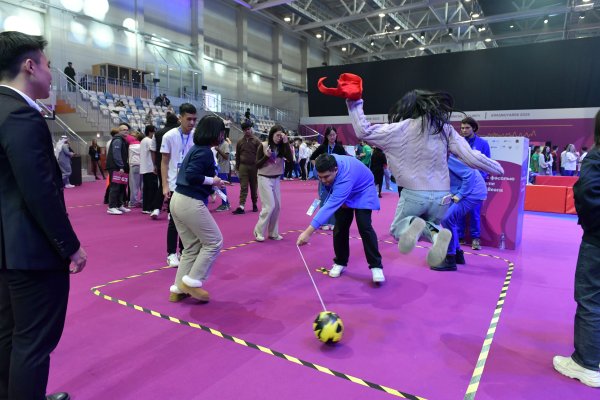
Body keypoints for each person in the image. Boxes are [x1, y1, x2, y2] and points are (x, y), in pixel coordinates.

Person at [317, 73, 503, 267]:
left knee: (398, 229)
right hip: (442, 197)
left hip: (415, 193)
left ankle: (419, 226)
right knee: (431, 224)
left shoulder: (400, 128)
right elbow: (471, 157)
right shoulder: (445, 129)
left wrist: (354, 102)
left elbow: (364, 131)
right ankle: (436, 234)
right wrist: (496, 167)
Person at [0, 30, 87, 400]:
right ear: (30, 66)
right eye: (49, 65)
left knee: (9, 334)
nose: (52, 75)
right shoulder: (21, 115)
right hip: (30, 251)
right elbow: (39, 191)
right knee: (33, 342)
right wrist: (70, 246)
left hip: (6, 249)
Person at [553, 110, 600, 388]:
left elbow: (587, 193)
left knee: (591, 298)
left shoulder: (596, 157)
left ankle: (586, 363)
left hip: (598, 241)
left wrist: (592, 226)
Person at [297, 154, 385, 283]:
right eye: (320, 177)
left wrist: (308, 232)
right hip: (343, 189)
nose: (323, 180)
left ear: (336, 169)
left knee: (364, 226)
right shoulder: (322, 167)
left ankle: (376, 266)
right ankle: (340, 262)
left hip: (363, 190)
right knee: (340, 227)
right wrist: (333, 190)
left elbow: (330, 206)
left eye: (326, 177)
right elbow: (328, 188)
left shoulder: (345, 177)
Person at [168, 115, 227, 303]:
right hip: (190, 201)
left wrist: (213, 183)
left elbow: (191, 175)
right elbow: (193, 175)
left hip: (178, 199)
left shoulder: (196, 149)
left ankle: (178, 289)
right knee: (214, 241)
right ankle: (193, 282)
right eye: (221, 132)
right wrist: (213, 180)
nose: (222, 136)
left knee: (191, 246)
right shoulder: (205, 151)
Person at [434, 155, 487, 271]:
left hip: (472, 192)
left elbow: (469, 174)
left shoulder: (447, 155)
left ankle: (450, 258)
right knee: (449, 221)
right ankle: (458, 255)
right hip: (460, 190)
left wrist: (460, 194)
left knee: (447, 219)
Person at [161, 103, 197, 270]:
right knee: (174, 221)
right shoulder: (169, 136)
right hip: (174, 185)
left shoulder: (196, 136)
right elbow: (164, 162)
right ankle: (171, 253)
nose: (192, 122)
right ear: (180, 118)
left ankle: (184, 251)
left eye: (194, 119)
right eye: (188, 119)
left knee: (188, 221)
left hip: (191, 184)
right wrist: (165, 186)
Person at [253, 125, 293, 241]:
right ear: (272, 134)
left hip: (276, 179)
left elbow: (290, 159)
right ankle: (258, 231)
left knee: (277, 207)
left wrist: (286, 143)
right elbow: (257, 165)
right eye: (277, 135)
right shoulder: (263, 145)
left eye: (281, 135)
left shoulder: (282, 147)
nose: (279, 137)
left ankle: (273, 233)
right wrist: (266, 156)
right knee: (269, 206)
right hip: (264, 178)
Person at [457, 117, 490, 250]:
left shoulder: (483, 143)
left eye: (467, 128)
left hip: (476, 185)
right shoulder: (457, 143)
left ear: (474, 128)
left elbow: (487, 164)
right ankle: (460, 237)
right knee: (458, 212)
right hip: (460, 183)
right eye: (462, 128)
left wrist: (477, 179)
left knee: (475, 213)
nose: (464, 130)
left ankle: (476, 238)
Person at [309, 126, 347, 230]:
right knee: (324, 199)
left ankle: (334, 223)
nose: (332, 137)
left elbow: (345, 160)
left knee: (335, 199)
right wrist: (317, 168)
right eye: (330, 135)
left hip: (336, 179)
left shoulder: (339, 148)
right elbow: (312, 158)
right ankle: (324, 222)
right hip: (324, 180)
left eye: (334, 135)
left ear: (336, 135)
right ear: (326, 136)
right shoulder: (322, 147)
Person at [150, 112, 179, 219]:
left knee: (163, 185)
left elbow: (153, 150)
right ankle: (170, 212)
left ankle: (156, 209)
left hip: (160, 162)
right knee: (174, 186)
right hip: (175, 163)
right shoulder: (178, 132)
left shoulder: (157, 133)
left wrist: (154, 164)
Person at [232, 121, 261, 214]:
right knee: (243, 187)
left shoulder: (257, 141)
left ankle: (254, 203)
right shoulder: (240, 141)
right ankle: (241, 206)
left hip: (254, 166)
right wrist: (237, 167)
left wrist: (259, 166)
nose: (247, 131)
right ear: (243, 131)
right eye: (245, 130)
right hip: (243, 166)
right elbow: (237, 155)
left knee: (254, 186)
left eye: (248, 129)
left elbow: (261, 154)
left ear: (251, 129)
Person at [105, 126, 131, 215]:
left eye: (127, 130)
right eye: (124, 130)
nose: (126, 131)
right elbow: (116, 154)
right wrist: (121, 166)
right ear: (119, 131)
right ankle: (111, 207)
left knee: (121, 187)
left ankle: (119, 205)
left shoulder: (122, 140)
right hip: (115, 167)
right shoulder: (117, 140)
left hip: (120, 167)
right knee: (115, 186)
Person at [140, 125, 159, 215]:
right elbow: (153, 152)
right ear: (151, 132)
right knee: (152, 189)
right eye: (154, 132)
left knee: (146, 189)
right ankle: (150, 207)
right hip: (150, 168)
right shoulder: (150, 141)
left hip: (144, 168)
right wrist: (155, 165)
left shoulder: (143, 140)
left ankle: (145, 207)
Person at [214, 136, 232, 212]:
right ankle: (226, 203)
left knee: (222, 187)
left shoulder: (225, 144)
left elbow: (226, 157)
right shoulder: (219, 144)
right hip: (219, 168)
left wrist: (218, 150)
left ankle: (224, 205)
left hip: (223, 168)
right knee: (220, 187)